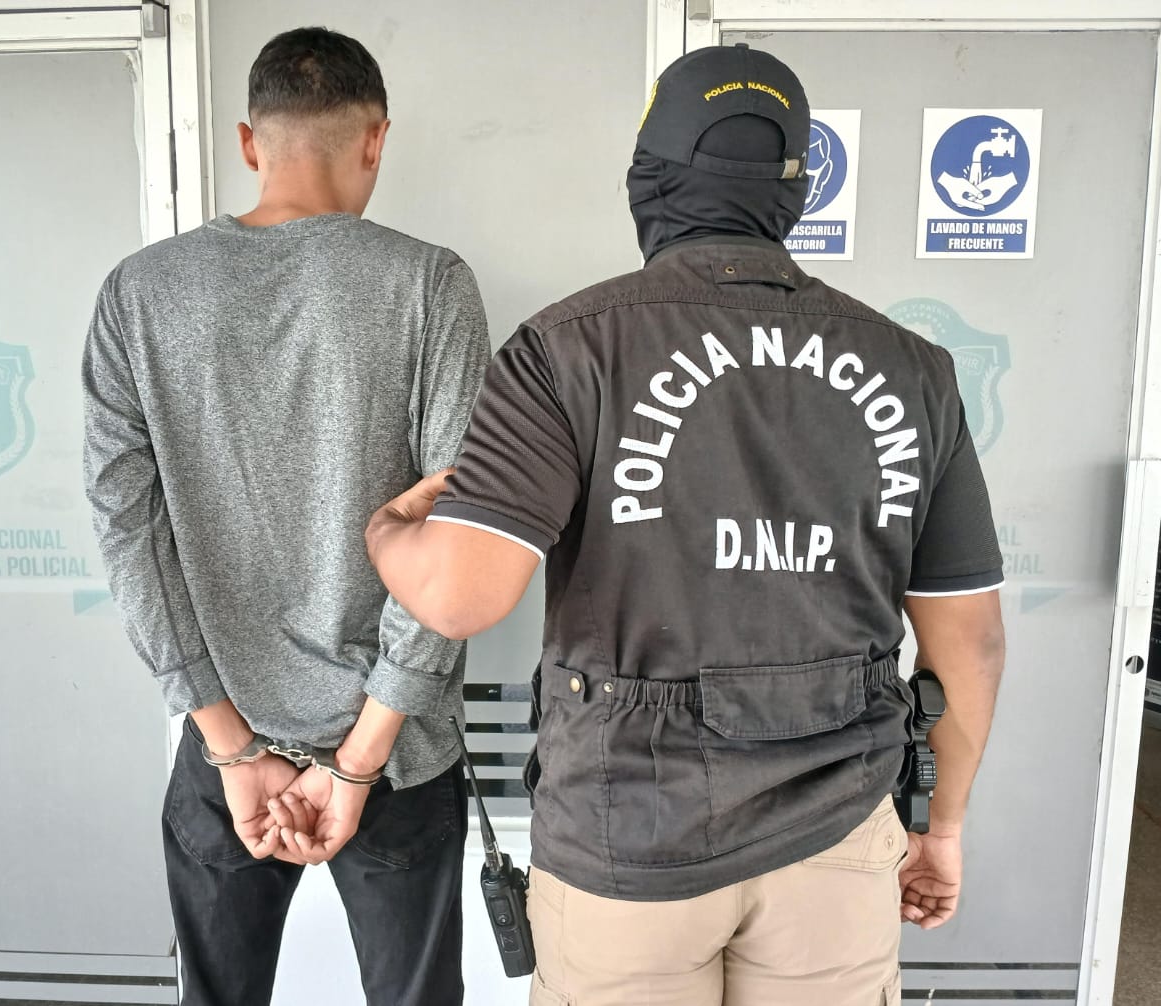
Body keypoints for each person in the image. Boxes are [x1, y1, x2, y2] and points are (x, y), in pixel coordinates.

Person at [364, 44, 1006, 1006]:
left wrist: (386, 530)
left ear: (648, 175)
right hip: (836, 835)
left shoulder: (567, 350)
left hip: (628, 833)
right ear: (793, 189)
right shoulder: (915, 369)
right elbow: (973, 644)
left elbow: (458, 597)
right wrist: (942, 825)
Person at [82, 27, 489, 1006]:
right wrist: (357, 761)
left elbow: (126, 529)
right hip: (396, 749)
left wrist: (228, 744)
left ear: (248, 142)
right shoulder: (429, 284)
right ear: (375, 138)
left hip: (225, 742)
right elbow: (460, 532)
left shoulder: (139, 293)